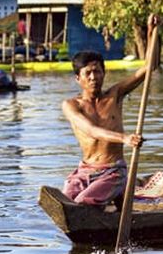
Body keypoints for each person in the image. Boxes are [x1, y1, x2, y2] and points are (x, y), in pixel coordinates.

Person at [61, 28, 153, 207]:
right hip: (84, 170)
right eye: (88, 73)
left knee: (83, 203)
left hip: (113, 170)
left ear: (104, 73)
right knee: (64, 203)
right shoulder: (71, 105)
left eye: (97, 71)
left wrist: (150, 32)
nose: (93, 77)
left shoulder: (115, 95)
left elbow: (148, 68)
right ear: (78, 78)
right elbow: (91, 131)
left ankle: (113, 194)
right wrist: (125, 138)